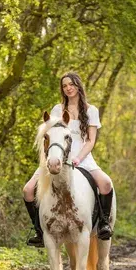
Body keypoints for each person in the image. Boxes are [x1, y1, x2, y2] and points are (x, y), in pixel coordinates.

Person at [23, 72, 113, 247]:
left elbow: (91, 140)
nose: (68, 88)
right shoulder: (58, 109)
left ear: (78, 85)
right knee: (27, 190)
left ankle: (103, 224)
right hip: (58, 156)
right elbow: (52, 136)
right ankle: (39, 230)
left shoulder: (91, 110)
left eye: (71, 84)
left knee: (106, 184)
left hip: (82, 157)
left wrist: (79, 158)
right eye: (65, 86)